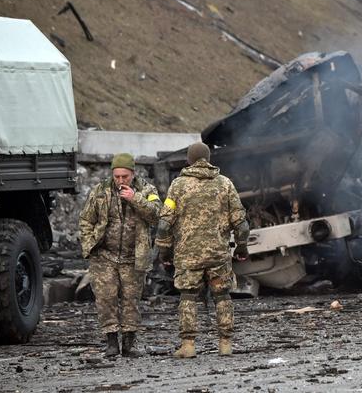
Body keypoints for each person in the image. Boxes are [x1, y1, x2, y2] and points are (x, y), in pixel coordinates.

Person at [155, 142, 249, 358]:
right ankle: (225, 343)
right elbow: (241, 224)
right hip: (218, 254)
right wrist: (241, 248)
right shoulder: (225, 184)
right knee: (222, 296)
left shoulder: (177, 186)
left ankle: (188, 345)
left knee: (188, 297)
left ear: (188, 160)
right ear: (208, 159)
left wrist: (164, 253)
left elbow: (163, 225)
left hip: (188, 256)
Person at [79, 153, 161, 357]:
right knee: (106, 299)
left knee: (131, 301)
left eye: (125, 176)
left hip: (133, 257)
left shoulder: (147, 190)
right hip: (105, 256)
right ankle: (111, 342)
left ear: (133, 173)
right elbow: (86, 219)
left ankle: (129, 344)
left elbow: (157, 214)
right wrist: (89, 243)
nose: (120, 180)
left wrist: (135, 199)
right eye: (117, 176)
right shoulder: (100, 191)